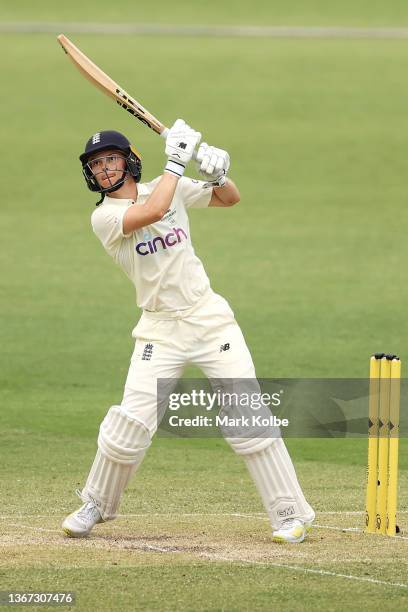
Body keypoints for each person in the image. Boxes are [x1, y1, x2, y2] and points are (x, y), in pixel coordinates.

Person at [62, 119, 315, 543]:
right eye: (96, 163)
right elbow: (154, 211)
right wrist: (178, 160)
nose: (104, 168)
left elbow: (229, 198)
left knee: (248, 416)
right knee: (130, 424)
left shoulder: (169, 184)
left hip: (210, 320)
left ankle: (291, 514)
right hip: (159, 330)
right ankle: (97, 504)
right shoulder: (105, 217)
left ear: (129, 161)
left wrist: (217, 173)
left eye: (111, 158)